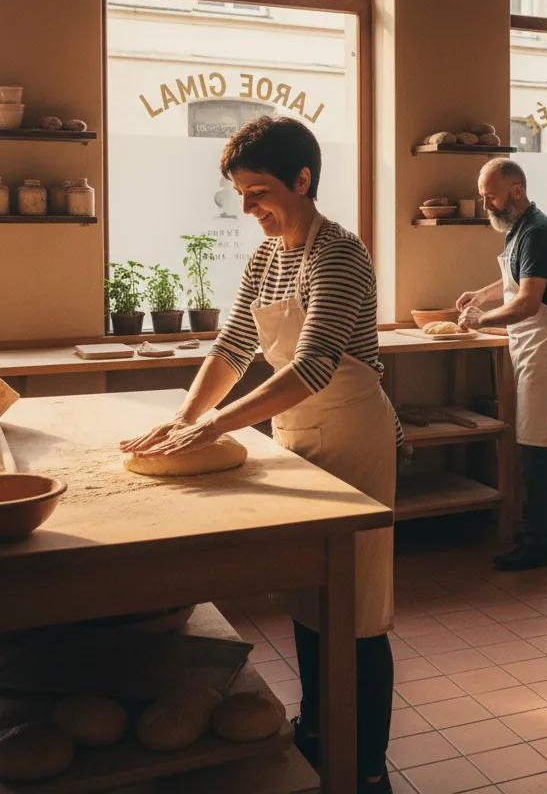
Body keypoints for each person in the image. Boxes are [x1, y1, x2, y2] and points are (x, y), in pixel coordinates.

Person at [121, 116, 398, 793]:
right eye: (241, 194)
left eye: (259, 192)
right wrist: (185, 417)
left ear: (302, 180)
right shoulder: (266, 258)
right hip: (298, 432)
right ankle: (319, 730)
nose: (247, 209)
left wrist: (216, 426)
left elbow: (314, 365)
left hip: (354, 439)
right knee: (310, 594)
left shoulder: (340, 253)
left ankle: (366, 768)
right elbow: (233, 347)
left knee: (357, 610)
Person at [457, 158, 547, 570]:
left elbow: (528, 302)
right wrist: (481, 295)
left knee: (534, 445)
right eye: (482, 197)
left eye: (490, 196)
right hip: (535, 343)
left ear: (516, 190)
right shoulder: (521, 229)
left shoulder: (539, 232)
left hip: (546, 343)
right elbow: (517, 280)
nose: (486, 205)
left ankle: (538, 544)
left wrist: (481, 319)